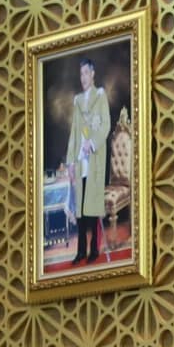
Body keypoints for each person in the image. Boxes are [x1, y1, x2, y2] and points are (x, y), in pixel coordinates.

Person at [63, 57, 110, 266]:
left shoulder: (100, 96)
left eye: (86, 73)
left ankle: (94, 249)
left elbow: (105, 125)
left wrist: (92, 143)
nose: (82, 77)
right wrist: (70, 161)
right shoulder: (78, 101)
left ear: (93, 74)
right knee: (80, 209)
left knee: (93, 207)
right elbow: (74, 133)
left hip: (94, 159)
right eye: (80, 74)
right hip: (80, 161)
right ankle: (81, 250)